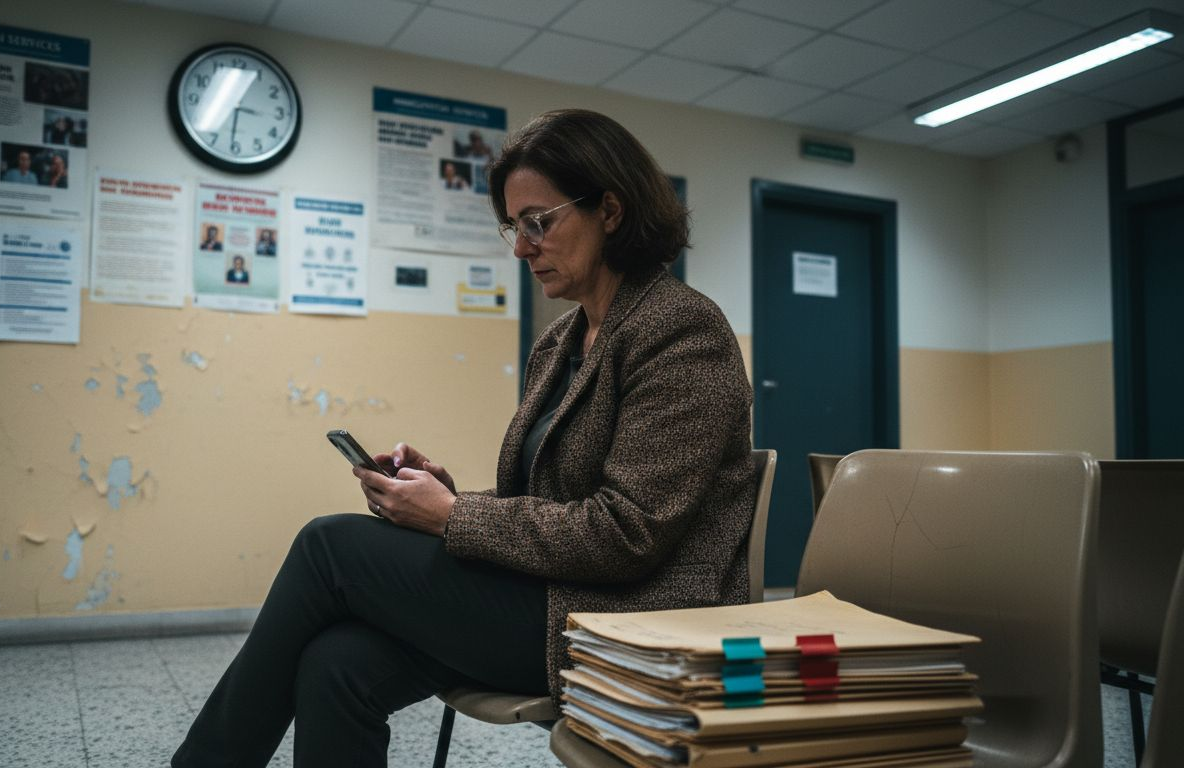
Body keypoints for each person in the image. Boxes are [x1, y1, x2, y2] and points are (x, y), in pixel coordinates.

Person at [170, 109, 756, 768]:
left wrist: (453, 517)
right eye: (514, 226)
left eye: (538, 222)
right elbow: (542, 501)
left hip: (626, 620)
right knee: (334, 664)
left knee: (326, 547)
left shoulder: (682, 330)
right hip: (552, 599)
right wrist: (447, 500)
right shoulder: (560, 342)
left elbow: (628, 534)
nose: (520, 248)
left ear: (611, 212)